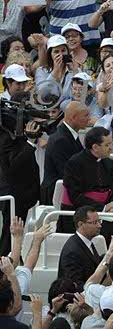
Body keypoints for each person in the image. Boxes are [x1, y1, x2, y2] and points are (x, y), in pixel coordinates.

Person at [0, 91, 40, 256]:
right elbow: (14, 167)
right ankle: (5, 262)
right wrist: (30, 142)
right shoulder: (5, 135)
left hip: (24, 194)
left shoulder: (18, 132)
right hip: (13, 195)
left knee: (15, 234)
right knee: (9, 235)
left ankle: (12, 258)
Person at [60, 127, 113, 239]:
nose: (111, 148)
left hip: (106, 214)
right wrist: (103, 207)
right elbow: (75, 196)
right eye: (107, 145)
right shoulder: (75, 163)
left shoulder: (108, 163)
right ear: (95, 147)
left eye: (111, 144)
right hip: (78, 214)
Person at [41, 101, 89, 205]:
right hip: (56, 196)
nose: (89, 119)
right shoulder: (60, 140)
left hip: (65, 193)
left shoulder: (70, 135)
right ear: (74, 117)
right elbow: (67, 172)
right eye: (86, 115)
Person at [56, 206, 104, 290]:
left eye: (99, 221)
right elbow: (75, 285)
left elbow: (94, 263)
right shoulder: (72, 251)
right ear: (81, 224)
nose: (99, 225)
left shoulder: (86, 242)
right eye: (95, 222)